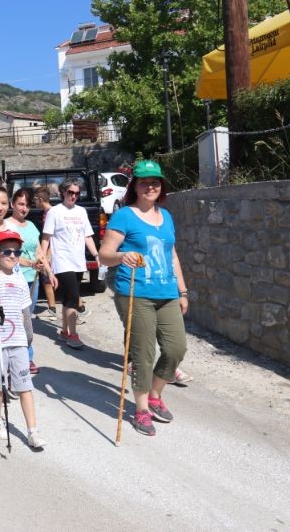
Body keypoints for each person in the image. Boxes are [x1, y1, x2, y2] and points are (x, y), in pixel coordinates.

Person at [99, 160, 188, 437]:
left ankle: (155, 394)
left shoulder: (166, 216)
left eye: (155, 182)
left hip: (167, 293)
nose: (150, 186)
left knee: (176, 349)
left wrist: (182, 291)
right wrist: (122, 255)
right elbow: (104, 255)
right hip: (135, 293)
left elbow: (172, 255)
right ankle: (140, 410)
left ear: (161, 186)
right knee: (143, 354)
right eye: (144, 182)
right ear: (134, 186)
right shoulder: (124, 216)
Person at [0, 230, 47, 449]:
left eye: (17, 252)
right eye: (7, 251)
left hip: (18, 341)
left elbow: (25, 312)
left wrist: (28, 335)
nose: (12, 255)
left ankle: (32, 430)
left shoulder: (20, 280)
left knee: (24, 384)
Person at [39, 178, 99, 349]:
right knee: (73, 297)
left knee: (68, 298)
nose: (73, 196)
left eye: (77, 193)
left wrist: (96, 255)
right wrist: (43, 259)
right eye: (70, 192)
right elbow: (46, 237)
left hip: (78, 261)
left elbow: (87, 236)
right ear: (63, 193)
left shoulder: (81, 211)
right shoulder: (55, 212)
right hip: (62, 261)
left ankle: (65, 331)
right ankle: (73, 335)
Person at [5, 188, 55, 374]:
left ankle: (25, 356)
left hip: (32, 280)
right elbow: (9, 256)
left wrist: (49, 272)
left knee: (27, 320)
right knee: (17, 319)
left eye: (26, 205)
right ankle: (21, 357)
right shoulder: (6, 226)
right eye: (20, 204)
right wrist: (31, 263)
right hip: (14, 280)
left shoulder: (32, 226)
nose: (24, 208)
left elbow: (39, 252)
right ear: (13, 204)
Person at [33, 186, 58, 320]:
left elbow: (52, 236)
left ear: (40, 199)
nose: (34, 201)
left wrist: (47, 254)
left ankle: (80, 308)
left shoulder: (51, 213)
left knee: (48, 278)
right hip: (49, 252)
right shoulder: (47, 212)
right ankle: (52, 308)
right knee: (46, 279)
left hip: (53, 252)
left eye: (35, 199)